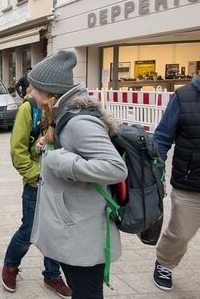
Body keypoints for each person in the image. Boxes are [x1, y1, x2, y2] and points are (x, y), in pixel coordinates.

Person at [29, 50, 127, 299]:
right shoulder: (63, 114)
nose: (30, 93)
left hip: (83, 231)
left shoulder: (79, 122)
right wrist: (49, 147)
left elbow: (115, 168)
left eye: (34, 87)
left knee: (87, 294)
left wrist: (63, 162)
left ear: (49, 91)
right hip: (73, 227)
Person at [151, 41, 200, 291]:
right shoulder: (183, 96)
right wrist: (155, 172)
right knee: (179, 234)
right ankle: (164, 263)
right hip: (194, 183)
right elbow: (161, 138)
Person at [1, 89, 71, 297]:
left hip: (60, 182)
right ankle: (10, 266)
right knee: (29, 230)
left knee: (56, 230)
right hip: (36, 183)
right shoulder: (28, 108)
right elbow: (17, 148)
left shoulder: (64, 106)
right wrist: (33, 175)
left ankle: (52, 274)